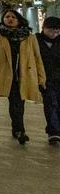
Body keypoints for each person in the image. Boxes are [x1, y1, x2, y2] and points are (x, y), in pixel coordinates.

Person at [0, 9, 46, 145]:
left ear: (19, 20)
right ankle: (20, 129)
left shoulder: (29, 37)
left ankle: (18, 128)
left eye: (13, 17)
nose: (10, 19)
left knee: (20, 102)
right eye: (7, 17)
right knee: (14, 101)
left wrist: (41, 77)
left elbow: (37, 58)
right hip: (7, 75)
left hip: (24, 74)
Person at [37, 16, 60, 145]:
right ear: (43, 28)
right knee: (51, 103)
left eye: (57, 31)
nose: (54, 34)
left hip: (58, 77)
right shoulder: (36, 41)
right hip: (44, 78)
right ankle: (53, 131)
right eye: (51, 30)